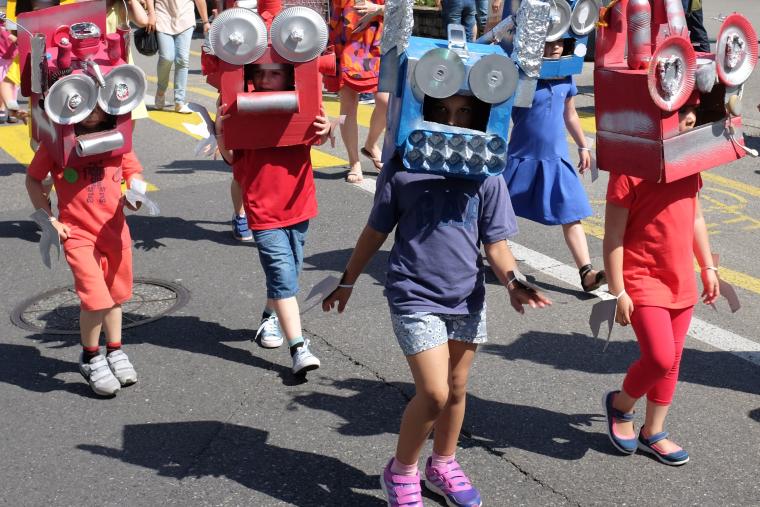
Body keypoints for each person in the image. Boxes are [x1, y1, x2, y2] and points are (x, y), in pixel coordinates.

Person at [322, 93, 551, 507]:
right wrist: (347, 281)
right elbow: (375, 232)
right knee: (434, 393)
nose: (452, 120)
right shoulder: (403, 166)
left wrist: (515, 282)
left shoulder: (487, 173)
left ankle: (443, 463)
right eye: (441, 111)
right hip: (413, 295)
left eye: (464, 112)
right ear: (423, 113)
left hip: (466, 297)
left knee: (458, 388)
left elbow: (495, 244)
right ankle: (401, 471)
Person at [601, 106, 719, 466]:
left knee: (673, 361)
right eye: (679, 113)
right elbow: (613, 236)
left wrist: (708, 266)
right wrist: (618, 290)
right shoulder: (629, 167)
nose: (688, 120)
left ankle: (653, 432)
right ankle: (621, 406)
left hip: (680, 277)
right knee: (658, 356)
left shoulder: (689, 161)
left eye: (692, 114)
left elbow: (695, 216)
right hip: (642, 278)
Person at [214, 63, 332, 375]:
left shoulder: (301, 102)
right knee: (282, 273)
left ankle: (270, 315)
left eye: (275, 73)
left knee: (288, 272)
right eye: (259, 73)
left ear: (289, 75)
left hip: (298, 204)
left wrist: (328, 126)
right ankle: (298, 348)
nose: (266, 79)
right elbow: (229, 157)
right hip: (262, 209)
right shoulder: (240, 106)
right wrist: (221, 129)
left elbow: (319, 135)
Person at [25, 106, 144, 396]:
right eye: (84, 104)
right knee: (95, 299)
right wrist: (48, 218)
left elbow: (135, 171)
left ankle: (114, 350)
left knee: (115, 295)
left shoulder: (118, 136)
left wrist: (137, 195)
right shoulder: (57, 142)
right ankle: (91, 357)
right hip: (78, 235)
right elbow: (33, 178)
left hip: (115, 232)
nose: (92, 112)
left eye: (99, 105)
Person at [503, 39, 606, 293]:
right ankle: (494, 258)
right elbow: (502, 112)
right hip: (521, 155)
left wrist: (583, 145)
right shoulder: (522, 75)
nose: (555, 47)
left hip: (556, 158)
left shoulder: (565, 76)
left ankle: (586, 273)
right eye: (548, 42)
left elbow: (569, 113)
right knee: (497, 210)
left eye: (560, 42)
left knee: (571, 213)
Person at [327, 0, 389, 183]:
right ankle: (354, 162)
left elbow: (403, 8)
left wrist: (377, 9)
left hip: (376, 41)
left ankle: (370, 144)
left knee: (386, 102)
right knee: (348, 104)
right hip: (345, 37)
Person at [147, 0, 209, 113]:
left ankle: (179, 102)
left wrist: (205, 22)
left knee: (182, 59)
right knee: (166, 57)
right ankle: (161, 90)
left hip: (185, 18)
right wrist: (151, 13)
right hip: (163, 15)